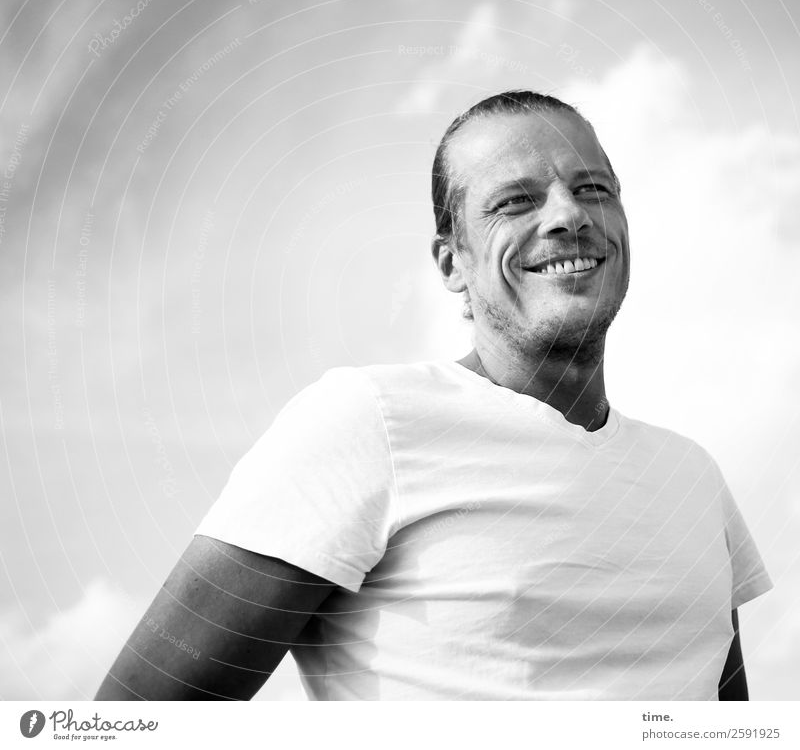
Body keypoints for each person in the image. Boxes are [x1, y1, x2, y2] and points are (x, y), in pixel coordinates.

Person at [95, 90, 772, 701]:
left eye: (593, 188)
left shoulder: (694, 478)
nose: (569, 215)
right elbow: (137, 719)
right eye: (516, 201)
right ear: (453, 262)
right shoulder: (367, 421)